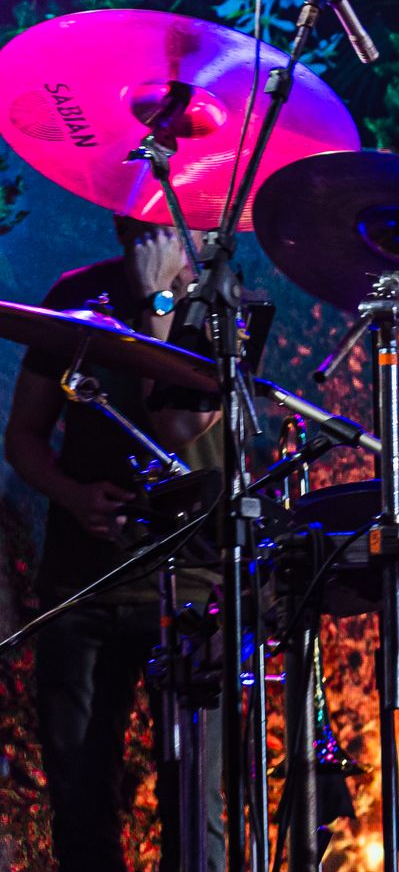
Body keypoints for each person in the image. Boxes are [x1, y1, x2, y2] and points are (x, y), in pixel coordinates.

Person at [4, 215, 222, 871]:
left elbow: (177, 423)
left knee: (193, 801)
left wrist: (158, 302)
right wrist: (73, 495)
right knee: (79, 794)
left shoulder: (222, 307)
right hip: (83, 583)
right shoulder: (78, 294)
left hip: (187, 585)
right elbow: (23, 436)